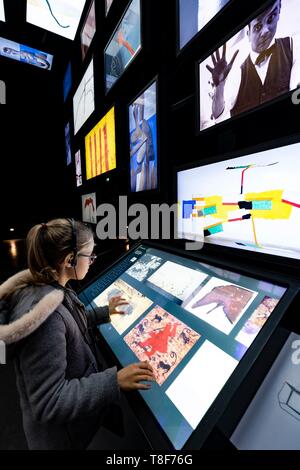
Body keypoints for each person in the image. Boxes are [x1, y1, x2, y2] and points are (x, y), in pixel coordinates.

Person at [0, 218, 155, 450]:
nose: (92, 262)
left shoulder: (49, 286)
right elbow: (49, 402)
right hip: (63, 441)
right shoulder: (45, 318)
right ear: (69, 260)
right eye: (90, 256)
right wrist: (113, 381)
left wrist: (104, 313)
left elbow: (68, 324)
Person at [204, 0, 300, 126]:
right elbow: (218, 116)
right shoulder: (237, 71)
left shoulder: (293, 46)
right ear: (248, 34)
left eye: (271, 18)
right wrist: (219, 87)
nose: (266, 31)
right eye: (258, 27)